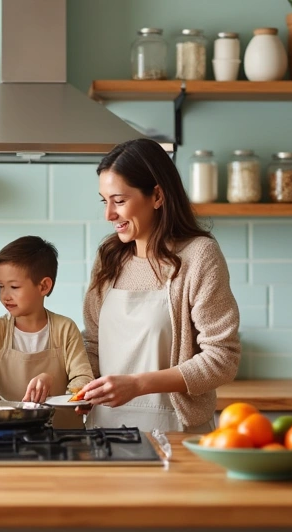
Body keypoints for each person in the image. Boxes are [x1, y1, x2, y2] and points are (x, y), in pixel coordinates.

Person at [77, 139, 240, 432]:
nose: (109, 215)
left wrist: (138, 384)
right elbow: (92, 345)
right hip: (105, 429)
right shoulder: (109, 256)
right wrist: (78, 385)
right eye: (105, 201)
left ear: (156, 196)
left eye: (120, 200)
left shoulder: (199, 255)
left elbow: (223, 358)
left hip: (175, 432)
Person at [0, 236, 94, 428]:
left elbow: (82, 377)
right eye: (1, 286)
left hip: (63, 434)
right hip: (9, 432)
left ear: (44, 286)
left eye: (14, 287)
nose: (5, 296)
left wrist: (57, 381)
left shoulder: (65, 328)